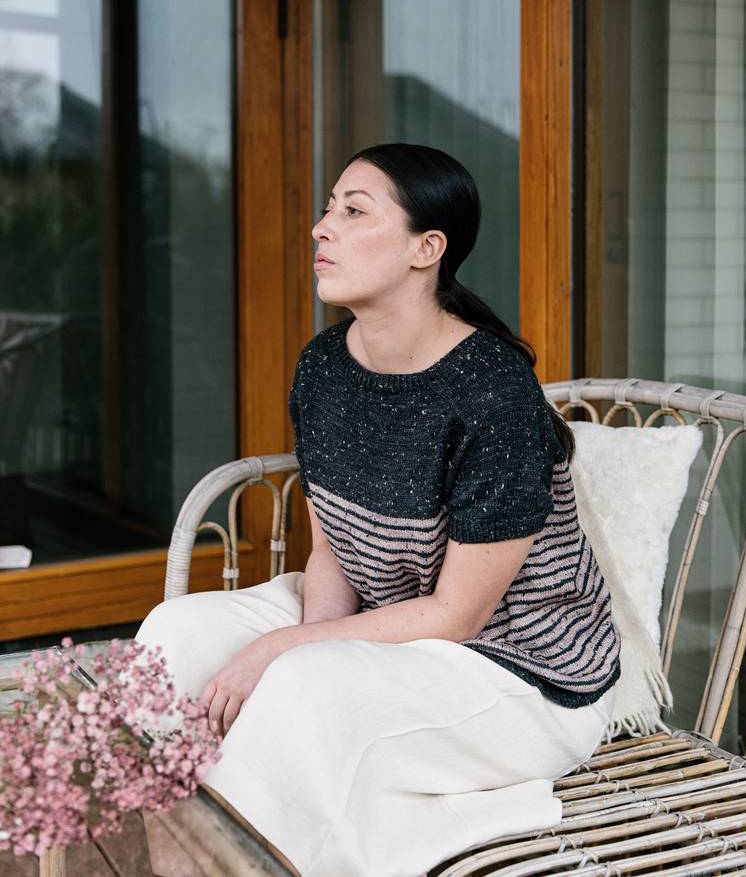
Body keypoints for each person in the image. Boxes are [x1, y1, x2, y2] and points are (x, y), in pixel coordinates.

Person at [136, 142, 621, 877]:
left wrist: (287, 653)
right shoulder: (324, 366)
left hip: (522, 673)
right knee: (175, 634)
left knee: (301, 685)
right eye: (329, 206)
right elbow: (332, 548)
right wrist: (308, 641)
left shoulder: (493, 394)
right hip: (391, 616)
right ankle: (162, 854)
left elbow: (457, 616)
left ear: (427, 248)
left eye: (354, 211)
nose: (321, 227)